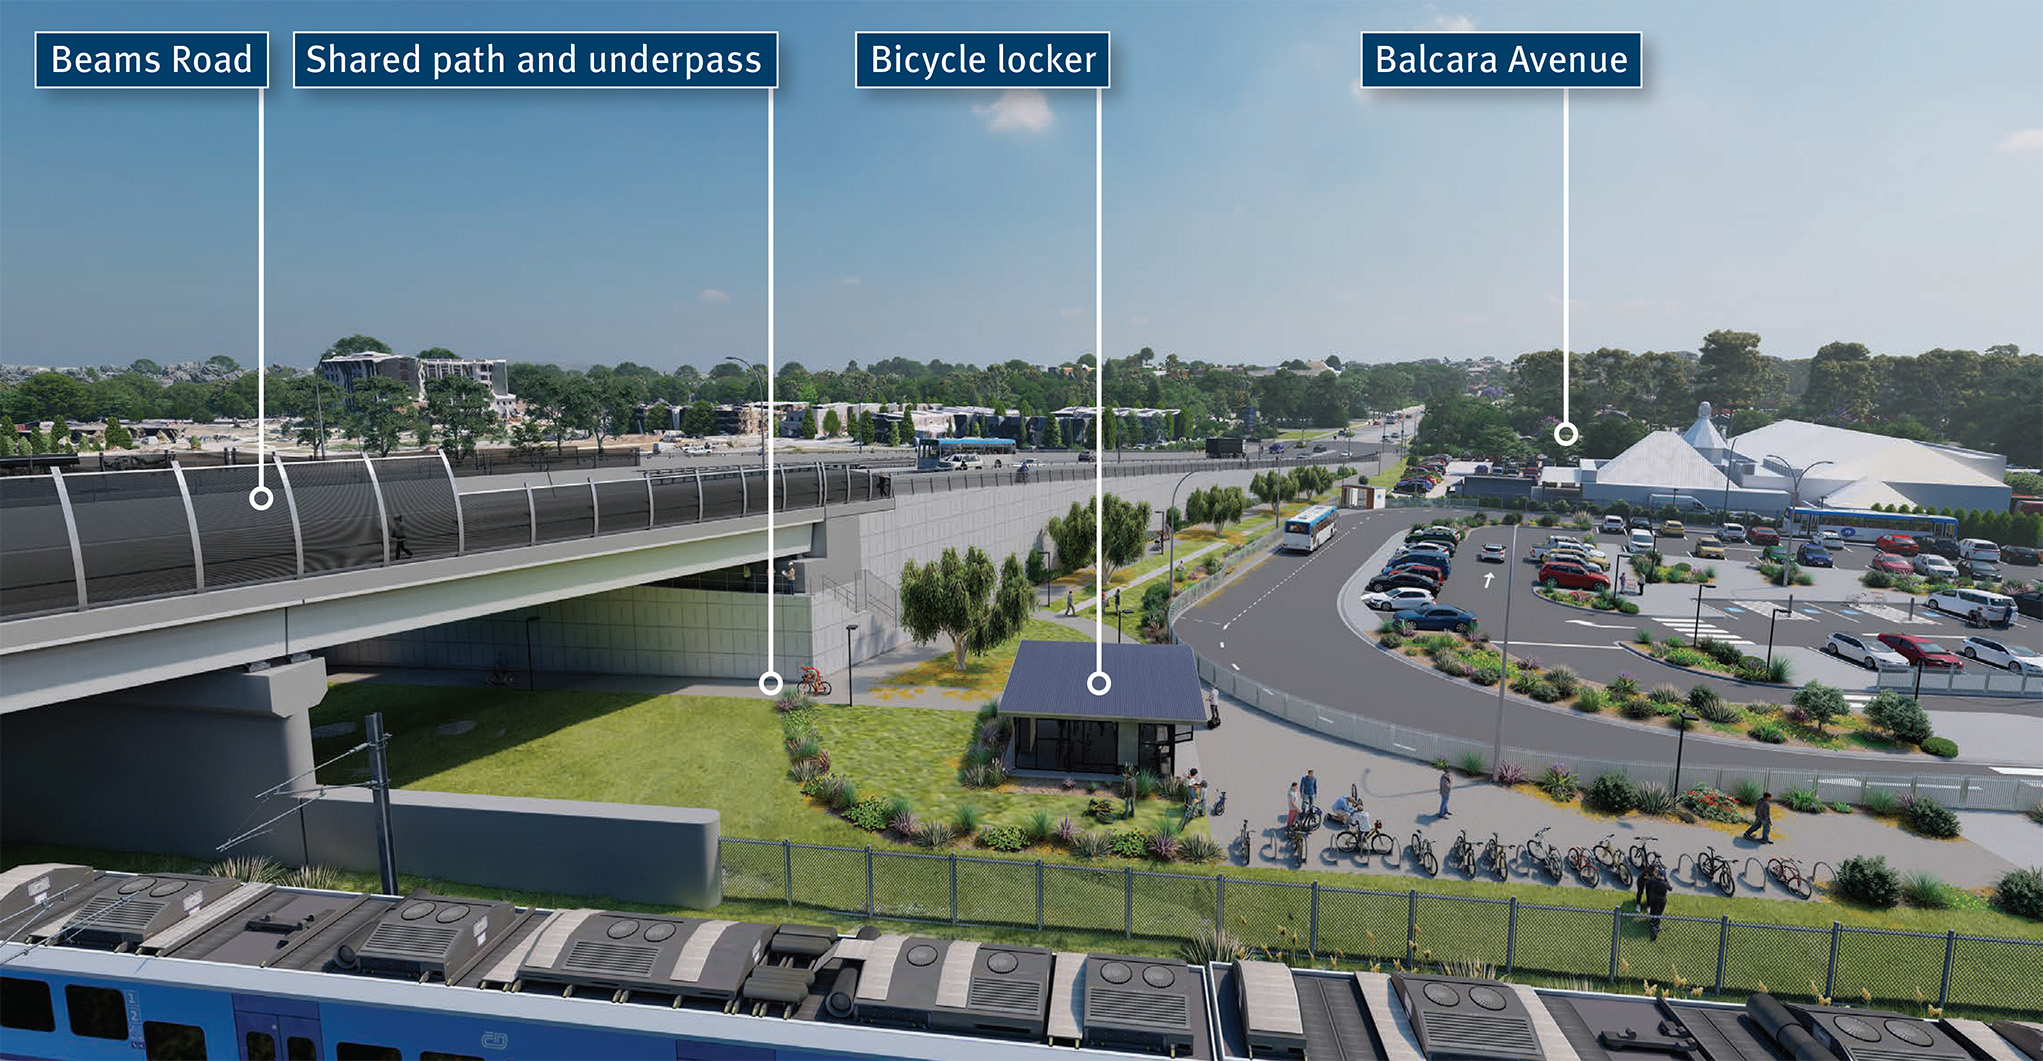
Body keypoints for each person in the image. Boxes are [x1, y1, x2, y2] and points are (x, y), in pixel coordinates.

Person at [1641, 866, 1670, 940]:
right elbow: (1670, 888)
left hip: (1653, 898)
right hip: (1661, 900)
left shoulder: (1652, 880)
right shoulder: (1665, 884)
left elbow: (1648, 884)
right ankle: (1655, 928)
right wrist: (1666, 880)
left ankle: (1651, 921)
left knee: (1653, 910)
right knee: (1658, 913)